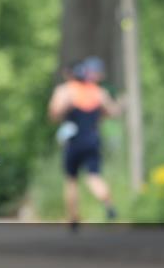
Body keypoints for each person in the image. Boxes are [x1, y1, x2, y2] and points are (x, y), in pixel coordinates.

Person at [48, 56, 120, 230]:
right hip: (93, 138)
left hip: (73, 141)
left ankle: (73, 218)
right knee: (94, 176)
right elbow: (112, 111)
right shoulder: (97, 92)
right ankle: (108, 203)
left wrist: (66, 109)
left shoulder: (65, 91)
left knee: (71, 179)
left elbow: (53, 114)